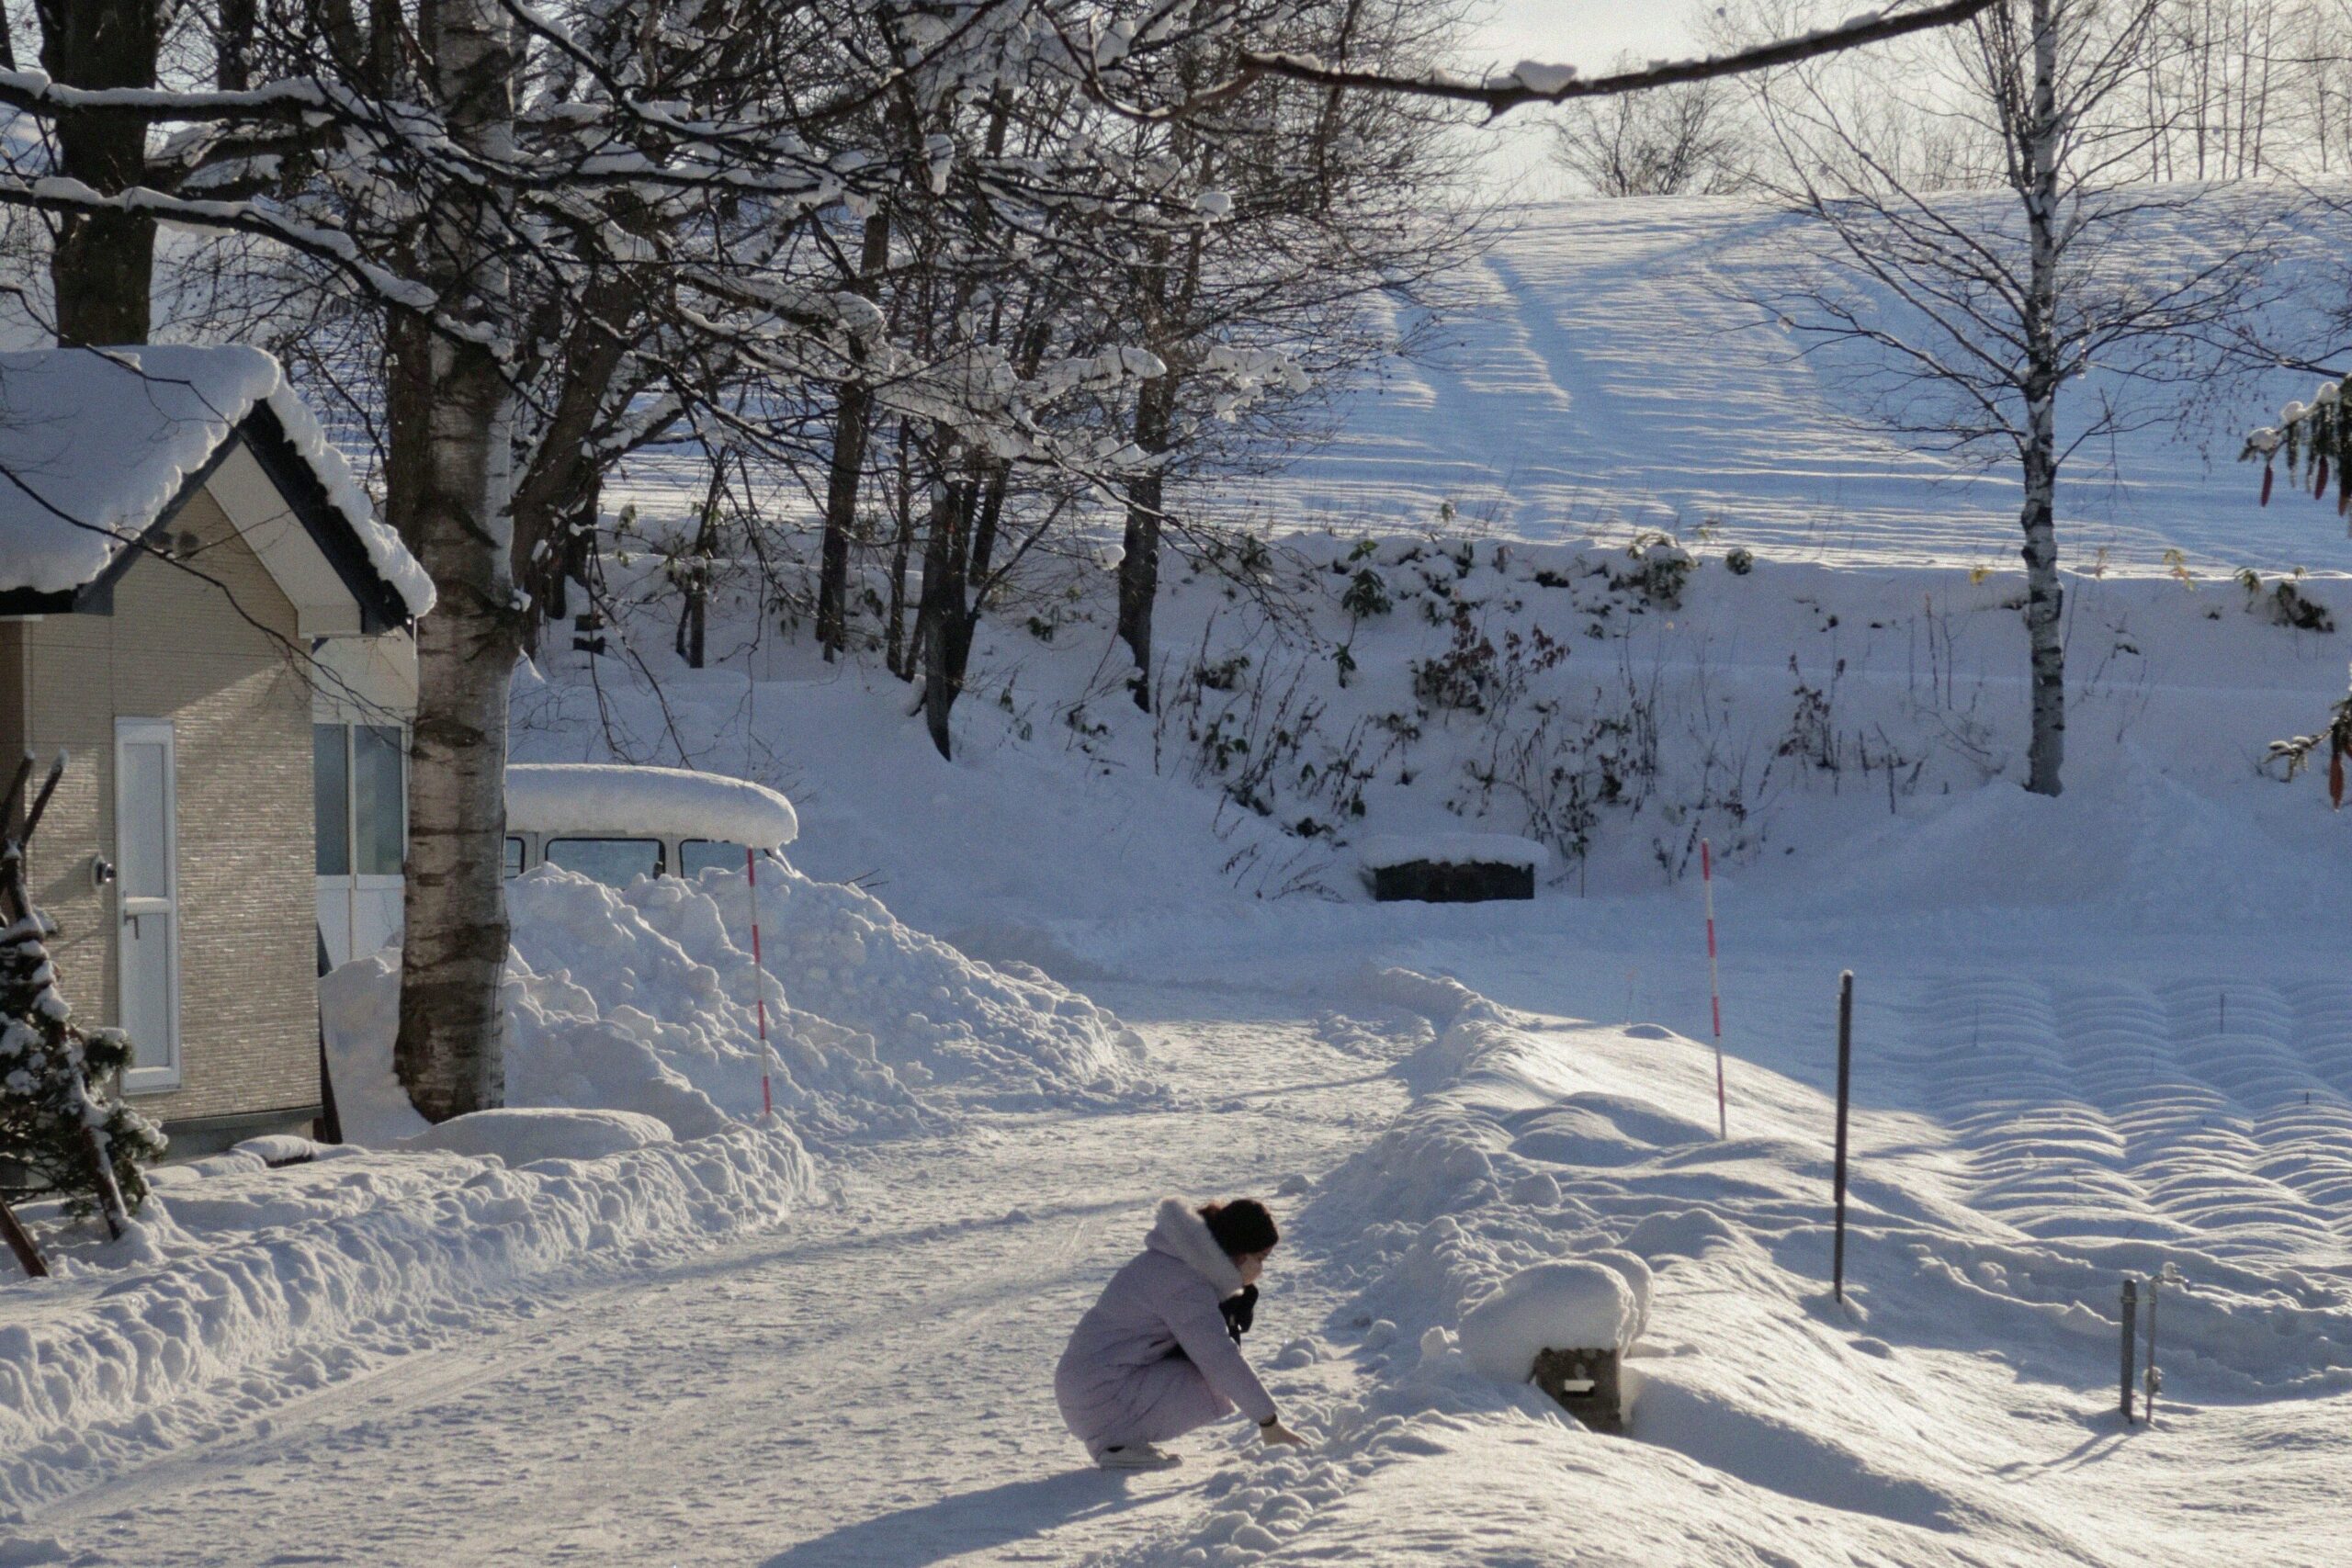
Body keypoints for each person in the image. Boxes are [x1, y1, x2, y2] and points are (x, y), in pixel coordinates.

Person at [1055, 1197, 1308, 1470]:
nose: (1260, 1269)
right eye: (1260, 1258)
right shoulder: (1184, 1284)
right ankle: (1116, 1442)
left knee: (1206, 1364)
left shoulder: (1175, 1262)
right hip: (1100, 1394)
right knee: (1210, 1379)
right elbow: (1217, 1355)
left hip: (1088, 1387)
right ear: (1240, 1252)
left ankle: (1118, 1442)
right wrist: (1268, 1421)